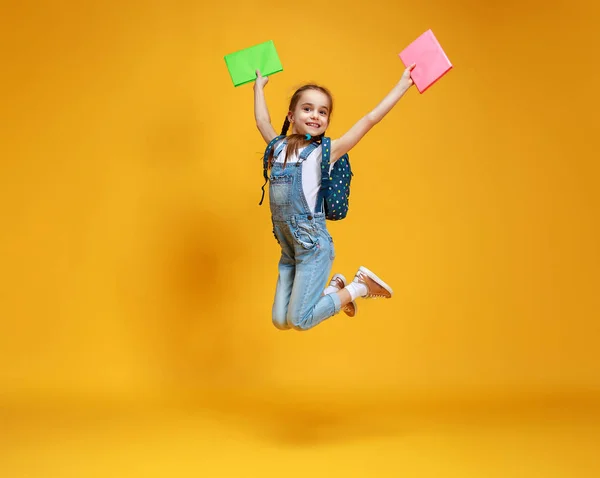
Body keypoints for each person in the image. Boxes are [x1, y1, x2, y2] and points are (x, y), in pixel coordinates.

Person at [254, 62, 416, 331]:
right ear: (291, 115)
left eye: (323, 112)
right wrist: (258, 86)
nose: (315, 115)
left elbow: (370, 119)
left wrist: (403, 85)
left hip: (313, 247)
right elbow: (262, 121)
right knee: (281, 321)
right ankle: (336, 290)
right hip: (289, 249)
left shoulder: (325, 154)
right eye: (307, 109)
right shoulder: (277, 147)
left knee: (299, 320)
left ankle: (359, 286)